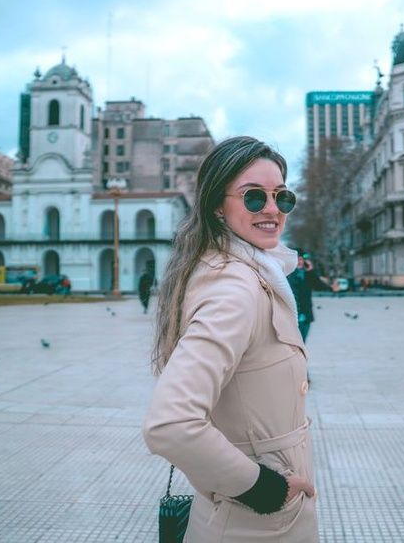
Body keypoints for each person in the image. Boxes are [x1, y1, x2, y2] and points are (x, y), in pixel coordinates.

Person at [143, 136, 317, 542]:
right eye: (254, 197)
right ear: (218, 206)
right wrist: (267, 489)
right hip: (253, 525)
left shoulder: (247, 271)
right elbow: (170, 424)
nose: (272, 209)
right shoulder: (235, 288)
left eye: (282, 197)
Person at [287, 251, 315, 344]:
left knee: (303, 343)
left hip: (306, 315)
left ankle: (301, 358)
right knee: (294, 344)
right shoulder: (287, 274)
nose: (299, 262)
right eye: (297, 259)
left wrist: (310, 271)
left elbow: (318, 285)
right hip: (292, 316)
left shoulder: (307, 274)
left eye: (301, 259)